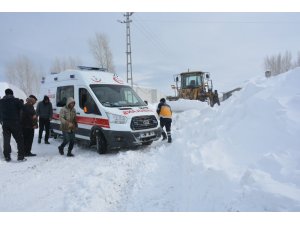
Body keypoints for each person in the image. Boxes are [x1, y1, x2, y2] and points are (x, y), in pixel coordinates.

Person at [0, 89, 26, 162]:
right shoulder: (16, 100)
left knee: (6, 140)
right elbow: (24, 109)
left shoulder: (1, 102)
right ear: (12, 93)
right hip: (15, 123)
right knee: (19, 140)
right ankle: (20, 156)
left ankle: (7, 156)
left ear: (5, 94)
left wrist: (1, 121)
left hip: (5, 124)